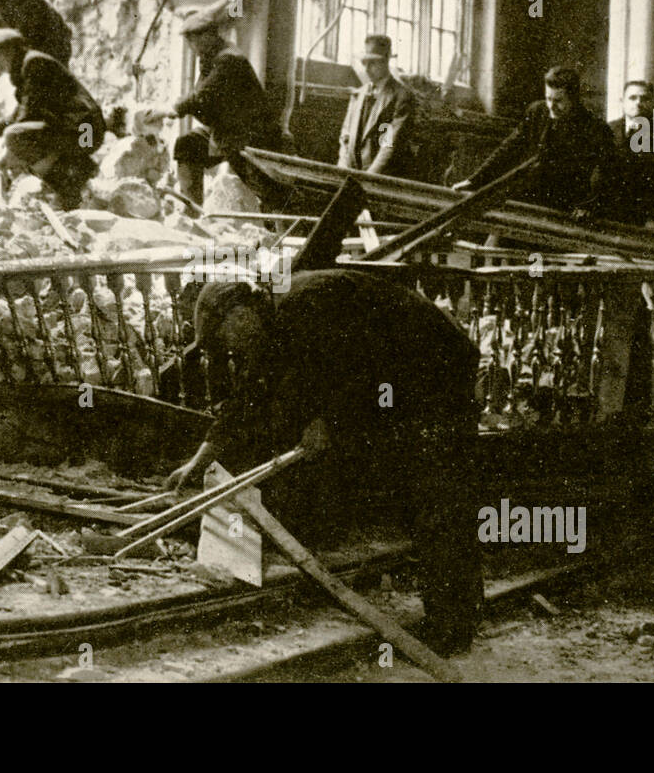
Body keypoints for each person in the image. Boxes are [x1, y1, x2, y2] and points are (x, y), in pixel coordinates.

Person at [166, 270, 484, 655]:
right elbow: (247, 399)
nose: (231, 349)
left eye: (226, 339)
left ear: (238, 315)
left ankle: (452, 628)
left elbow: (360, 367)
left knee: (437, 492)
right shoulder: (272, 324)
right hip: (395, 379)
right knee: (412, 487)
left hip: (435, 370)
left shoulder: (307, 304)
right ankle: (454, 612)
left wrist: (328, 422)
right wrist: (199, 461)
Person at [152, 13, 285, 209]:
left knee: (262, 187)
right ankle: (192, 213)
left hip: (251, 135)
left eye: (194, 40)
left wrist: (168, 110)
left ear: (208, 35)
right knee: (187, 145)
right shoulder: (210, 56)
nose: (192, 47)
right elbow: (199, 94)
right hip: (225, 131)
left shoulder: (229, 59)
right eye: (189, 41)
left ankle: (272, 224)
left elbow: (201, 97)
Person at [0, 28, 105, 210]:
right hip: (81, 130)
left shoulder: (34, 64)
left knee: (15, 137)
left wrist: (4, 156)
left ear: (10, 49)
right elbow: (17, 117)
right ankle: (79, 169)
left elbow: (27, 117)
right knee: (16, 136)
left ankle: (69, 185)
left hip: (85, 131)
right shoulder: (27, 66)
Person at [448, 66, 611, 217]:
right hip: (528, 195)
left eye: (558, 101)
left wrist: (587, 205)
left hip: (566, 206)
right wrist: (474, 180)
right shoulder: (537, 112)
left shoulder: (595, 128)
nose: (551, 106)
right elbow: (509, 148)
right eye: (548, 99)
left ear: (574, 99)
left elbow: (604, 173)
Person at [598, 80, 654, 229]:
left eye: (644, 99)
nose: (638, 103)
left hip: (647, 223)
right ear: (622, 101)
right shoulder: (605, 131)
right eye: (632, 98)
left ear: (653, 103)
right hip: (607, 219)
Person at [337, 34, 416, 177]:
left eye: (372, 63)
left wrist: (368, 178)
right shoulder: (358, 95)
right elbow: (345, 137)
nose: (367, 69)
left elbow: (389, 145)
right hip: (351, 174)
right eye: (364, 63)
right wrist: (342, 170)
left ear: (386, 61)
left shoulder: (402, 97)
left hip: (382, 177)